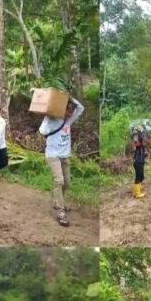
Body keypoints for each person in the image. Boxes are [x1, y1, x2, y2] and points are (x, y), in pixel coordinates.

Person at [39, 96, 84, 227]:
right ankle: (60, 211)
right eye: (68, 111)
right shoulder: (52, 120)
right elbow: (42, 131)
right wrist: (48, 116)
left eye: (71, 111)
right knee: (59, 180)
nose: (70, 114)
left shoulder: (68, 121)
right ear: (60, 111)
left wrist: (70, 98)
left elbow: (80, 109)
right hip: (52, 155)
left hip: (65, 156)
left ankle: (58, 202)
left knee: (67, 183)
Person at [132, 125, 146, 199]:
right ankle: (137, 194)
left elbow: (142, 143)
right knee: (138, 177)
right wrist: (140, 132)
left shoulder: (138, 137)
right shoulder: (136, 137)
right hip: (138, 160)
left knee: (141, 176)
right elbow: (139, 142)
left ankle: (137, 190)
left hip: (139, 159)